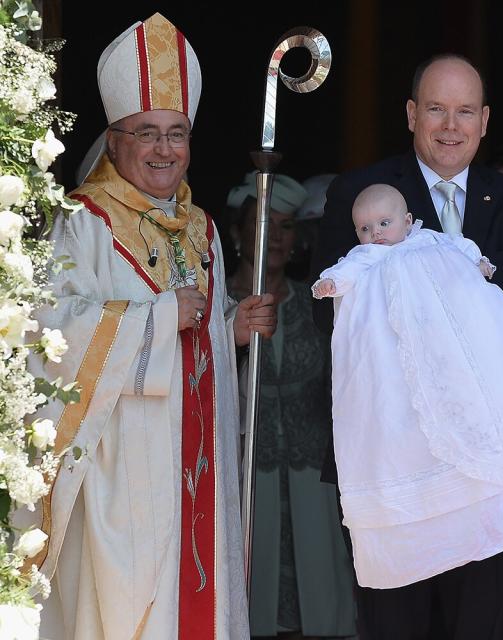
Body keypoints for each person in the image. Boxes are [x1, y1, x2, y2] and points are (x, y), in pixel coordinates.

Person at [310, 53, 503, 640]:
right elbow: (323, 314)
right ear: (411, 114)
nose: (449, 126)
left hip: (488, 460)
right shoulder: (362, 195)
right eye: (436, 109)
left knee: (481, 626)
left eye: (463, 112)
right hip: (390, 459)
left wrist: (488, 352)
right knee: (392, 627)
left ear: (483, 121)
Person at [30, 13, 276, 639]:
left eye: (177, 133)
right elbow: (53, 334)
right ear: (113, 141)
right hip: (122, 477)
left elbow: (198, 339)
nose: (164, 150)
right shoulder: (83, 223)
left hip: (195, 472)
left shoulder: (204, 231)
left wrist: (230, 329)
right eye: (147, 133)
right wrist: (164, 317)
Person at [312, 183, 503, 590]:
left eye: (384, 223)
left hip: (441, 349)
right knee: (397, 418)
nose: (376, 235)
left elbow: (464, 248)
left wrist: (480, 265)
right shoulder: (365, 259)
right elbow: (344, 273)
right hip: (391, 360)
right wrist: (329, 284)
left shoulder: (431, 241)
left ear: (407, 221)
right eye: (365, 228)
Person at [225, 172, 357, 639]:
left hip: (313, 484)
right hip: (244, 483)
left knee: (323, 607)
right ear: (239, 233)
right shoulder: (216, 306)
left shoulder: (318, 303)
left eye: (285, 226)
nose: (276, 237)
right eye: (264, 224)